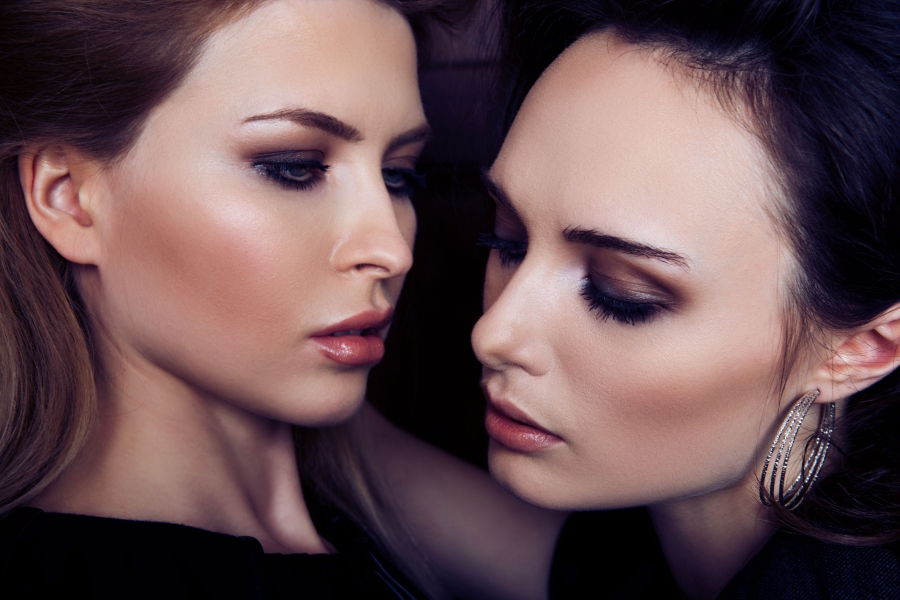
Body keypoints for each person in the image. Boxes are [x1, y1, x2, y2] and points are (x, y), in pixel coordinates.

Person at [0, 0, 568, 598]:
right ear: (68, 197)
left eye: (398, 174)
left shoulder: (346, 486)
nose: (392, 251)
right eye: (294, 168)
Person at [473, 0, 900, 598]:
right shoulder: (629, 534)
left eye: (620, 295)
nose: (492, 334)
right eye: (507, 242)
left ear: (860, 348)